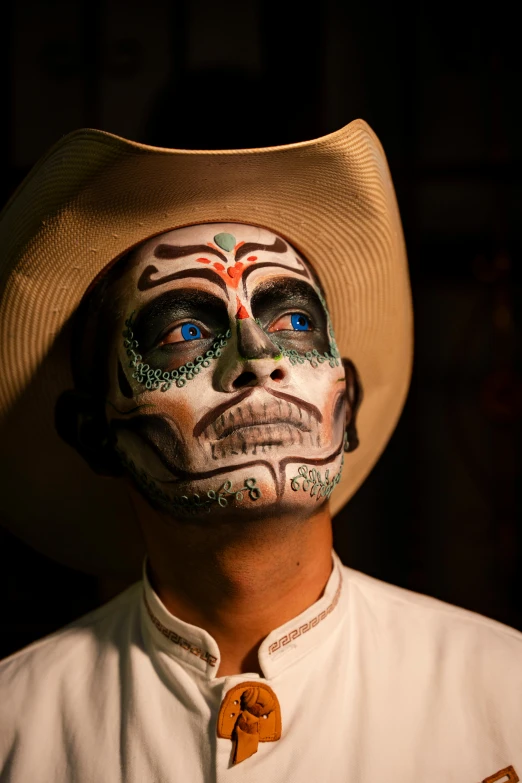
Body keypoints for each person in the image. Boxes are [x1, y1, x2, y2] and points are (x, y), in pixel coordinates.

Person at [0, 120, 520, 783]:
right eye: (186, 330)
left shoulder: (504, 695)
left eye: (295, 321)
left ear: (347, 399)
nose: (259, 357)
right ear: (94, 431)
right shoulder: (16, 728)